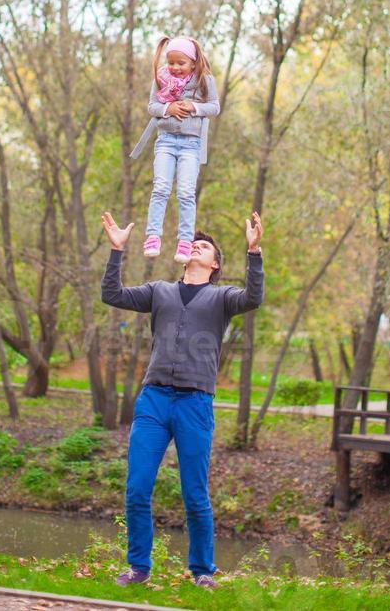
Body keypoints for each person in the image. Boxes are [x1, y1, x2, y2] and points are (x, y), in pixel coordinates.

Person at [100, 209, 264, 589]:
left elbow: (254, 297)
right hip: (153, 401)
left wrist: (254, 252)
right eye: (193, 243)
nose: (196, 247)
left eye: (204, 246)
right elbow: (112, 294)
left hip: (195, 404)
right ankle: (139, 568)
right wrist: (116, 251)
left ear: (215, 263)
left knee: (195, 493)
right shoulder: (160, 291)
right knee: (138, 487)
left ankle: (202, 571)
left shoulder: (223, 298)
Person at [130, 35, 220, 263]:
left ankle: (185, 241)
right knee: (160, 187)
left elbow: (214, 107)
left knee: (186, 192)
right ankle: (153, 236)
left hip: (190, 144)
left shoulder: (204, 80)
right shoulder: (161, 79)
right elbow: (153, 106)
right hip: (166, 141)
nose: (175, 68)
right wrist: (168, 108)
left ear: (192, 61)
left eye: (181, 63)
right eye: (171, 63)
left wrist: (193, 107)